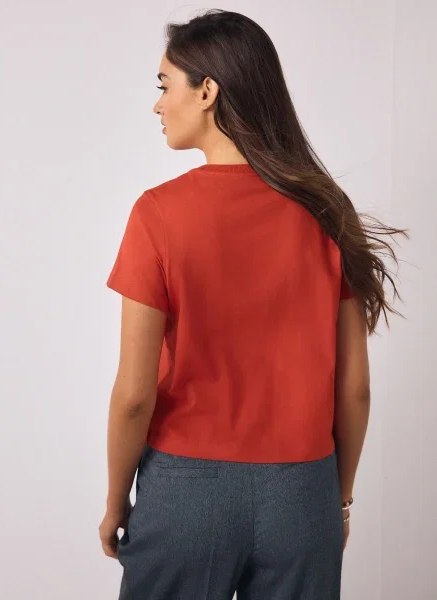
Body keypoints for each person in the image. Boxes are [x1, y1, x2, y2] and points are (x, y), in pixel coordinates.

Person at [98, 9, 409, 600]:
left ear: (207, 91)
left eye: (165, 85)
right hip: (303, 496)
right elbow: (356, 389)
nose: (158, 105)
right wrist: (336, 500)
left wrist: (117, 501)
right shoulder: (327, 210)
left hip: (184, 494)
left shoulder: (157, 214)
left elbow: (135, 395)